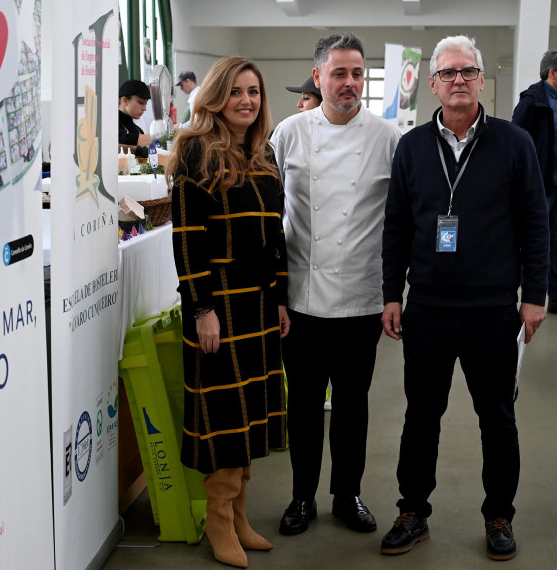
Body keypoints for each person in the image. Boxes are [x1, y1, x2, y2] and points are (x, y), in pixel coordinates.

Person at [380, 35, 549, 561]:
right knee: (421, 415)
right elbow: (397, 228)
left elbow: (535, 223)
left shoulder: (513, 142)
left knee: (497, 417)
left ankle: (499, 514)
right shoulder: (410, 147)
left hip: (493, 309)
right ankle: (413, 511)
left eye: (468, 72)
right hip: (428, 306)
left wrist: (535, 294)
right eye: (449, 72)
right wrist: (392, 293)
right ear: (432, 83)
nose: (459, 80)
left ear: (481, 81)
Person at [271, 31, 402, 537]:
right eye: (339, 73)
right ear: (318, 76)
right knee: (302, 405)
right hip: (300, 297)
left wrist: (394, 291)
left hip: (362, 296)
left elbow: (400, 220)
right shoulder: (289, 132)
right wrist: (274, 293)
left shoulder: (387, 138)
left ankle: (347, 495)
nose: (350, 83)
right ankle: (302, 496)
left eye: (357, 73)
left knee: (353, 405)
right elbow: (268, 213)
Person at [167, 56, 289, 569]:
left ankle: (239, 513)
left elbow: (275, 237)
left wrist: (281, 296)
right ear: (216, 97)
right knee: (223, 414)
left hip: (259, 305)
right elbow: (187, 240)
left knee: (248, 414)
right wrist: (201, 309)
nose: (247, 100)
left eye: (254, 92)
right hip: (219, 305)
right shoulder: (196, 153)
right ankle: (219, 518)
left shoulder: (261, 155)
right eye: (236, 91)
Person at [512, 49, 557, 317]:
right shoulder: (532, 101)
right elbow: (517, 143)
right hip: (541, 186)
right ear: (552, 72)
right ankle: (517, 295)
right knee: (531, 242)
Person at [118, 79, 151, 158]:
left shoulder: (137, 130)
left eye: (145, 104)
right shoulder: (113, 123)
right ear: (125, 100)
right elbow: (123, 139)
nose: (144, 109)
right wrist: (161, 135)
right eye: (140, 103)